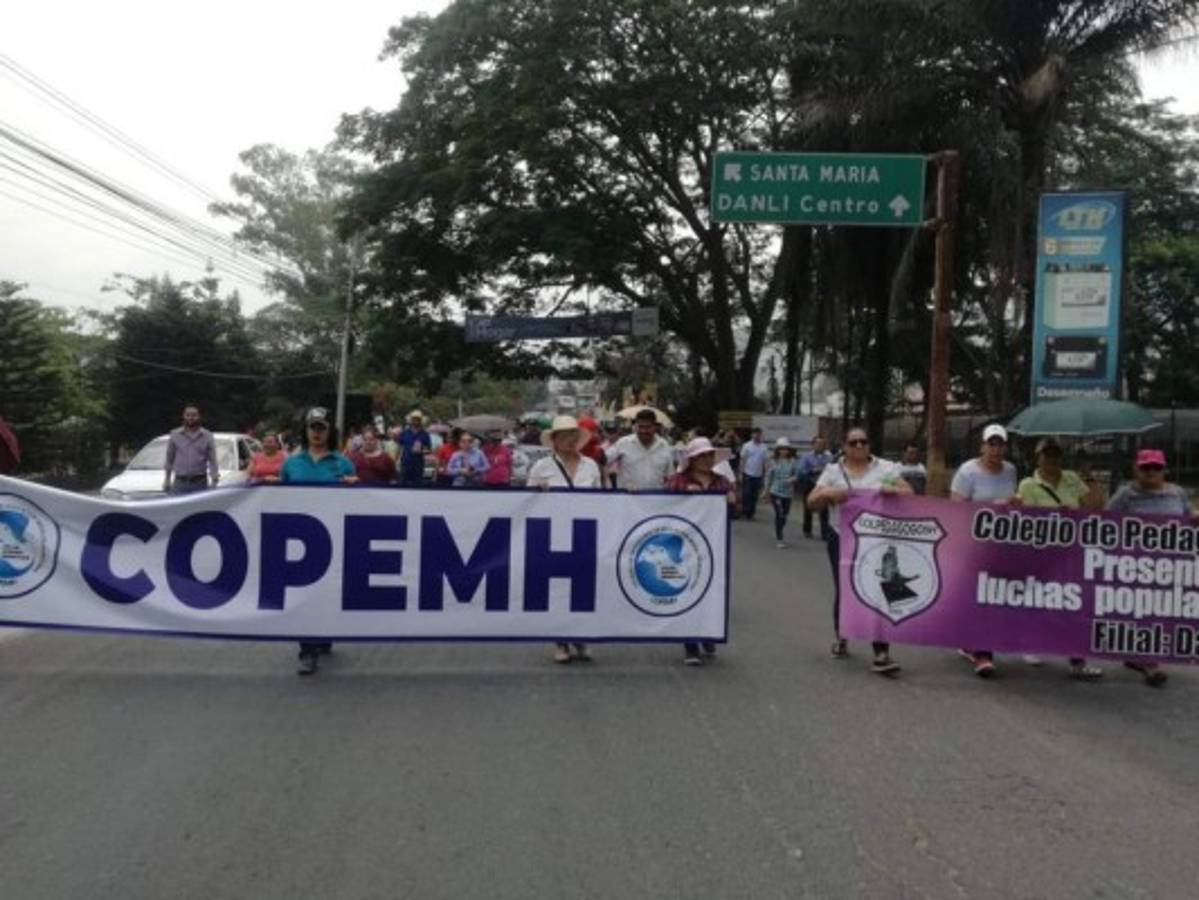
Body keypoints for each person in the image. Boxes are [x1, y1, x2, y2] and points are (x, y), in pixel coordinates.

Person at [807, 426, 912, 675]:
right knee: (845, 589)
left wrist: (892, 490)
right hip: (841, 537)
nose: (858, 446)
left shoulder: (885, 469)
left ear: (869, 445)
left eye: (863, 441)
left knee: (879, 590)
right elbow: (811, 503)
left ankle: (881, 651)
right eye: (853, 442)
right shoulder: (833, 471)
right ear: (844, 446)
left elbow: (909, 493)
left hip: (877, 540)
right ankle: (842, 634)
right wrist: (828, 493)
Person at [1107, 449, 1198, 687]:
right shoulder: (1127, 495)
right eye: (1146, 468)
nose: (1151, 473)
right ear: (1137, 469)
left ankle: (1136, 655)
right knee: (1144, 609)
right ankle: (1149, 662)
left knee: (1160, 611)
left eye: (1156, 468)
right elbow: (1105, 522)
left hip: (1170, 565)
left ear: (1164, 470)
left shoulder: (1177, 493)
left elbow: (1188, 517)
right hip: (1136, 564)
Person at [1017, 437, 1104, 680]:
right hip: (1041, 552)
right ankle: (1031, 642)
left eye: (1055, 454)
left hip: (1072, 551)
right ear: (1038, 457)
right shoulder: (1027, 484)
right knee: (1039, 600)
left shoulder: (1072, 479)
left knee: (1074, 602)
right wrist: (1056, 514)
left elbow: (1096, 509)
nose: (1051, 459)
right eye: (1046, 454)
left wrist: (1089, 478)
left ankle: (1077, 660)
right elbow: (1024, 520)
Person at [280, 407, 358, 676]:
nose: (316, 432)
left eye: (321, 427)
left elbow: (358, 500)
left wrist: (355, 487)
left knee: (328, 589)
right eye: (312, 427)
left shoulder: (342, 463)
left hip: (334, 535)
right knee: (304, 592)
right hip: (300, 538)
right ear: (306, 430)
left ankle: (323, 635)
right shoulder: (291, 463)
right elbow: (279, 498)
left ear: (329, 432)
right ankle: (307, 650)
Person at [527, 415, 604, 664]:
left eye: (573, 435)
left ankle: (581, 637)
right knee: (558, 588)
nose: (570, 440)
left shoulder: (590, 465)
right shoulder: (542, 467)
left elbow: (603, 499)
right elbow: (527, 500)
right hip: (554, 535)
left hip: (584, 533)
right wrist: (541, 494)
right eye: (564, 436)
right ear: (554, 441)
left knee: (583, 586)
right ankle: (561, 641)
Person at [949, 423, 1019, 677]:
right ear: (982, 446)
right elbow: (955, 508)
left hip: (1003, 544)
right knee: (981, 595)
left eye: (1001, 444)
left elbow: (1013, 503)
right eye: (992, 443)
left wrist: (1013, 504)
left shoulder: (1010, 471)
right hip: (973, 544)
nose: (996, 449)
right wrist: (992, 506)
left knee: (994, 596)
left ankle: (973, 641)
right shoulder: (967, 472)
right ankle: (983, 653)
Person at [667, 437, 736, 665]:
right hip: (686, 544)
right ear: (692, 459)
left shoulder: (722, 481)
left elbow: (735, 508)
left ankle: (708, 632)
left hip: (714, 544)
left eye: (709, 455)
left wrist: (731, 500)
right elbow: (664, 505)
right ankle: (690, 644)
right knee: (687, 589)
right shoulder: (678, 480)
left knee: (712, 589)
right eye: (701, 456)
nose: (707, 459)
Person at [606, 407, 673, 492]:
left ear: (655, 427)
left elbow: (670, 476)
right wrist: (606, 481)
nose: (643, 431)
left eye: (648, 427)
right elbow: (604, 459)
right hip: (627, 500)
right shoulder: (623, 443)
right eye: (640, 427)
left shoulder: (664, 446)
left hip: (656, 501)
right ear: (636, 426)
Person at [163, 404, 219, 495]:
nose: (191, 418)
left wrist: (214, 480)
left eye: (194, 415)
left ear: (199, 417)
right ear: (183, 416)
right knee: (178, 508)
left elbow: (213, 460)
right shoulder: (174, 435)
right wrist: (167, 479)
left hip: (200, 483)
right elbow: (169, 458)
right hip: (180, 483)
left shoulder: (207, 436)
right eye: (188, 415)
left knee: (200, 508)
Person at [764, 437, 800, 548]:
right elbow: (768, 477)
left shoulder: (793, 462)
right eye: (781, 449)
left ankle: (778, 528)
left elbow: (796, 475)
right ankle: (780, 539)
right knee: (779, 514)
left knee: (784, 516)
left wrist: (792, 479)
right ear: (777, 450)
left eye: (785, 449)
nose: (783, 451)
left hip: (788, 493)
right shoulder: (773, 461)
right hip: (776, 491)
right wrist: (766, 491)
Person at [797, 435, 833, 538]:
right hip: (810, 484)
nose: (820, 446)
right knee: (808, 507)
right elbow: (800, 471)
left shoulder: (829, 457)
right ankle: (807, 530)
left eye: (822, 444)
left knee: (824, 509)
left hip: (823, 485)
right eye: (817, 444)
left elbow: (833, 471)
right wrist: (812, 470)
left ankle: (825, 532)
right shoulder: (806, 456)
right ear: (813, 445)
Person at [739, 428, 769, 520]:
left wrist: (767, 473)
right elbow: (743, 460)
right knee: (746, 493)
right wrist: (740, 473)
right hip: (747, 473)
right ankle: (745, 512)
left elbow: (765, 461)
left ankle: (751, 513)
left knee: (754, 495)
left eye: (759, 434)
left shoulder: (764, 447)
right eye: (755, 434)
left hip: (758, 474)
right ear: (752, 435)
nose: (757, 436)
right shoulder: (746, 446)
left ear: (761, 435)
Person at [398, 410, 432, 486]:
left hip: (418, 465)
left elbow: (429, 450)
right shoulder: (404, 433)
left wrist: (421, 451)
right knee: (403, 485)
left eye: (418, 419)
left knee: (418, 486)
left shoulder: (425, 434)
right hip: (405, 464)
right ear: (411, 420)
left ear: (421, 420)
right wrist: (397, 461)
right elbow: (399, 448)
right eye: (414, 419)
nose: (416, 421)